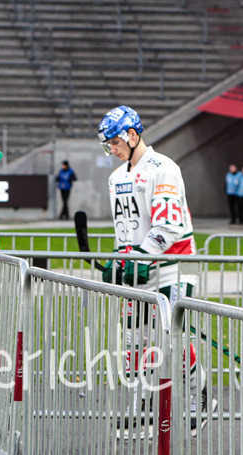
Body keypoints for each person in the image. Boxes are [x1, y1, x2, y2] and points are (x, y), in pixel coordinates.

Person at [96, 105, 212, 424]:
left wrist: (142, 256)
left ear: (133, 135)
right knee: (134, 339)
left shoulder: (164, 168)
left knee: (170, 339)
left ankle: (197, 395)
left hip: (173, 264)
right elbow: (126, 229)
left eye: (115, 142)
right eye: (108, 145)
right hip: (138, 268)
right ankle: (141, 400)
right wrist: (119, 261)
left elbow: (169, 224)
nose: (112, 149)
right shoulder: (116, 177)